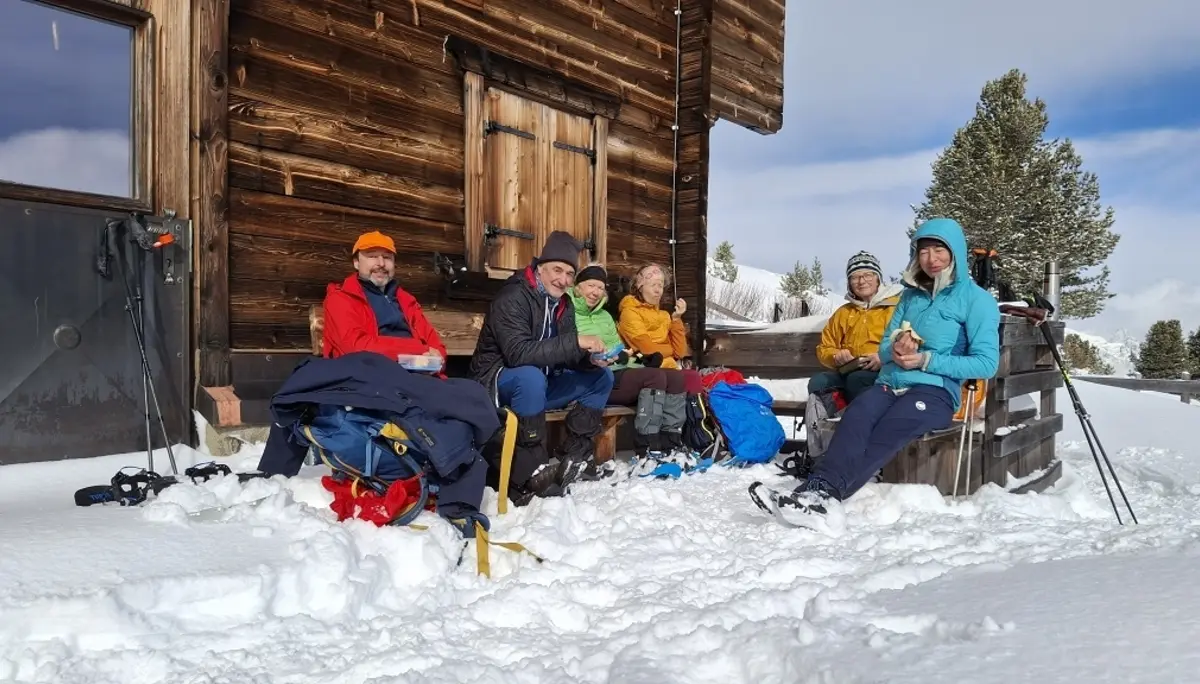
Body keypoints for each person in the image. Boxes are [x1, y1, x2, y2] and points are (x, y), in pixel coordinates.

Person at [754, 218, 1000, 529]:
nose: (931, 259)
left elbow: (985, 363)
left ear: (956, 253)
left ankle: (825, 496)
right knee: (856, 417)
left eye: (940, 250)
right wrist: (894, 348)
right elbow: (884, 346)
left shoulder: (977, 300)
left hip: (936, 391)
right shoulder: (910, 297)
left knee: (890, 427)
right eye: (923, 252)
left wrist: (926, 360)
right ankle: (813, 491)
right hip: (890, 382)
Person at [469, 231, 615, 504]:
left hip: (542, 384)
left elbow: (569, 354)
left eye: (570, 273)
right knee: (530, 377)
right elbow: (518, 353)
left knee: (601, 377)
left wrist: (590, 358)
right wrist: (576, 342)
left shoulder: (564, 303)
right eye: (557, 270)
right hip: (498, 382)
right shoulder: (514, 296)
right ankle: (529, 473)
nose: (563, 279)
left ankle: (574, 455)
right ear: (539, 268)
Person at [570, 264, 681, 473]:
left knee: (675, 378)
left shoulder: (605, 316)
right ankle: (648, 449)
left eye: (600, 288)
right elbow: (565, 346)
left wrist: (632, 357)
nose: (595, 292)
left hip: (612, 370)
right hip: (586, 376)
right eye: (590, 285)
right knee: (655, 377)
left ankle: (670, 445)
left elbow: (618, 349)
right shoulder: (567, 311)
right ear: (578, 287)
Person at [321, 231, 448, 370]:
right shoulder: (341, 298)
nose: (381, 263)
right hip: (369, 373)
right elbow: (356, 346)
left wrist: (437, 361)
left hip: (417, 371)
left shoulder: (406, 300)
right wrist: (417, 349)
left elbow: (435, 345)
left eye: (387, 257)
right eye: (373, 256)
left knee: (469, 389)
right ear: (356, 263)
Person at [616, 263, 704, 451]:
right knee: (670, 376)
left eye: (661, 285)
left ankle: (681, 439)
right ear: (640, 286)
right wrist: (668, 349)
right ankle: (652, 442)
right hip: (643, 366)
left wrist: (677, 319)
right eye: (653, 284)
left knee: (690, 377)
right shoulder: (630, 312)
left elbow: (679, 351)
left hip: (667, 367)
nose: (658, 290)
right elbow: (647, 350)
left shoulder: (664, 315)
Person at [811, 251, 903, 402]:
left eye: (867, 275)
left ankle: (859, 420)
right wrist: (835, 356)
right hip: (849, 369)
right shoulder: (844, 312)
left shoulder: (895, 307)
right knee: (819, 382)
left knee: (858, 379)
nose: (861, 281)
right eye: (855, 277)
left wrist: (883, 357)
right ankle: (829, 422)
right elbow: (825, 347)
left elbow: (908, 340)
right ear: (849, 283)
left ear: (878, 279)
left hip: (884, 370)